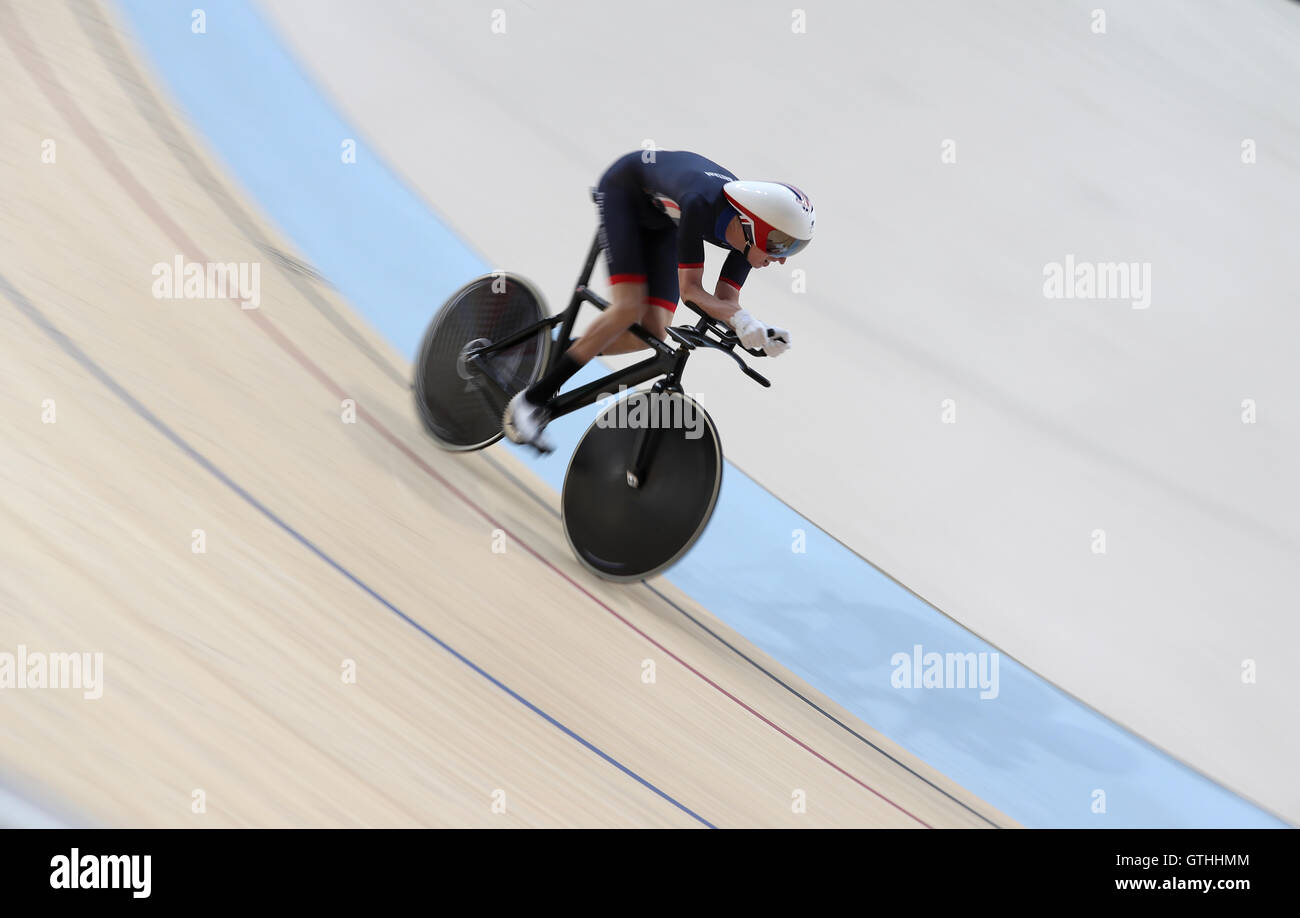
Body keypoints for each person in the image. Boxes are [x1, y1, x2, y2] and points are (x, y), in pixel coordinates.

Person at [504, 150, 814, 452]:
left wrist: (759, 332)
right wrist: (740, 319)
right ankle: (529, 402)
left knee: (651, 333)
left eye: (792, 249)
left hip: (664, 218)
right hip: (624, 192)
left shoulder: (747, 237)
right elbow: (691, 291)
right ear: (753, 226)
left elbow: (725, 301)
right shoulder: (701, 203)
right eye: (780, 245)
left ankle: (562, 351)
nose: (783, 260)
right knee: (628, 308)